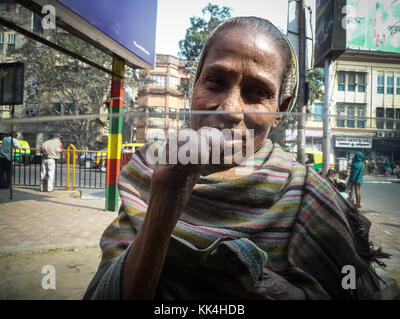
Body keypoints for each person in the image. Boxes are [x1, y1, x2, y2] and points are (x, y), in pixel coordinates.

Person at [84, 17, 388, 300]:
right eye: (215, 82)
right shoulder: (149, 169)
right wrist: (167, 198)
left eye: (257, 93)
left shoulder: (303, 194)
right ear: (194, 87)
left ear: (280, 111)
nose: (229, 109)